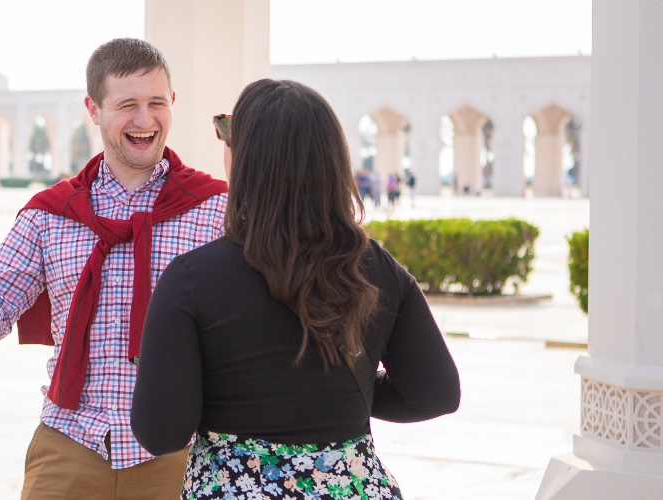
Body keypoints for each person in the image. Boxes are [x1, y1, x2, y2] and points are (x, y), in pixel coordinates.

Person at [0, 38, 227, 499]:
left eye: (156, 103)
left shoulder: (217, 210)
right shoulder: (51, 214)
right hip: (69, 448)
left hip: (180, 455)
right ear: (94, 109)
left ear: (173, 104)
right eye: (127, 105)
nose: (145, 120)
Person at [130, 79, 461, 499]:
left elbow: (162, 433)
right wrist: (346, 394)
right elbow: (435, 394)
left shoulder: (192, 278)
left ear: (248, 159)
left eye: (229, 132)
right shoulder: (376, 267)